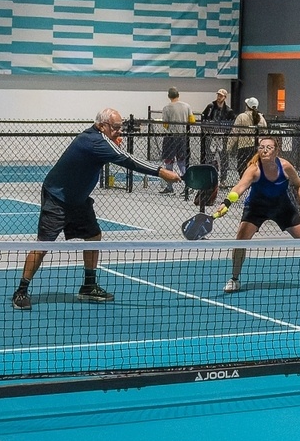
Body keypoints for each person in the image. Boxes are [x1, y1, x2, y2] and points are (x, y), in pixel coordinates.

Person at [10, 108, 181, 310]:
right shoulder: (94, 141)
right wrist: (161, 172)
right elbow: (128, 160)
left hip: (79, 199)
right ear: (102, 126)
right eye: (116, 127)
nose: (120, 131)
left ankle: (89, 286)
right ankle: (21, 291)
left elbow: (119, 154)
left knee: (93, 236)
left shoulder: (100, 139)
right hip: (57, 197)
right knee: (43, 245)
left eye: (121, 127)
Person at [215, 137, 300, 294]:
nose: (265, 150)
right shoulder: (254, 169)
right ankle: (235, 279)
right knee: (240, 242)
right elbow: (239, 187)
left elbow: (299, 184)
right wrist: (226, 203)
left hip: (282, 207)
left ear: (276, 151)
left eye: (269, 147)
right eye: (262, 147)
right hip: (256, 208)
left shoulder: (285, 166)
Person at [159, 87, 192, 194]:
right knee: (182, 161)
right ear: (178, 95)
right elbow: (192, 120)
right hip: (183, 136)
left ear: (169, 96)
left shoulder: (167, 108)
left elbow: (165, 124)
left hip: (170, 136)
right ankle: (189, 185)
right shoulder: (187, 106)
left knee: (169, 161)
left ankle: (169, 186)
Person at [200, 88, 236, 186]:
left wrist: (227, 132)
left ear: (225, 97)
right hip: (211, 135)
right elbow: (203, 118)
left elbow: (232, 123)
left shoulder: (229, 110)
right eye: (218, 95)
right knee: (209, 156)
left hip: (222, 136)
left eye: (221, 96)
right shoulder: (211, 107)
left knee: (223, 157)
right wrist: (206, 129)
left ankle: (223, 179)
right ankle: (209, 177)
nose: (219, 97)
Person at [228, 97, 268, 170]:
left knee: (242, 169)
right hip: (257, 147)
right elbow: (265, 133)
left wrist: (229, 147)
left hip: (244, 147)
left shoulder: (241, 117)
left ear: (247, 106)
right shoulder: (261, 118)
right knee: (256, 168)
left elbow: (234, 133)